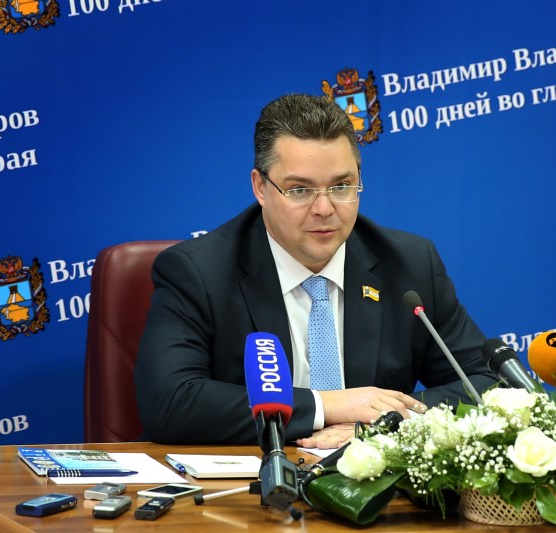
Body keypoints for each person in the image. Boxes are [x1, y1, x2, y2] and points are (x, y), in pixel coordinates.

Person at [134, 94, 498, 448]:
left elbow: (492, 383)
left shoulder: (409, 264)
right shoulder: (200, 272)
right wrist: (329, 405)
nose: (324, 208)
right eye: (299, 190)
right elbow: (170, 402)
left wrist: (389, 422)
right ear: (260, 188)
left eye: (341, 186)